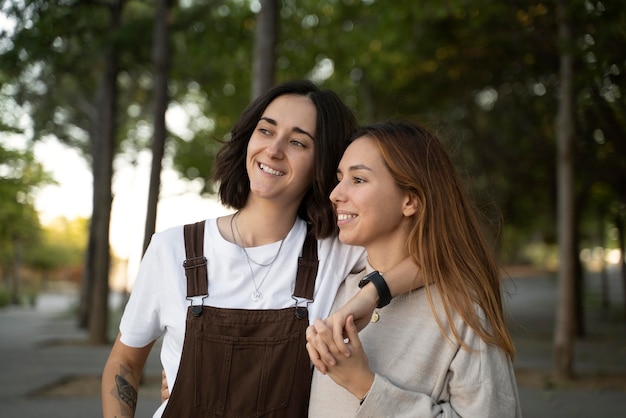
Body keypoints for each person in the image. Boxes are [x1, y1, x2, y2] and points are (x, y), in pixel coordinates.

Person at [101, 80, 420, 418]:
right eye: (266, 131)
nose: (274, 149)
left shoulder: (335, 252)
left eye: (298, 141)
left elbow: (432, 258)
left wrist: (370, 294)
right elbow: (124, 361)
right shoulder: (172, 249)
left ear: (322, 162)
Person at [306, 120, 522, 417]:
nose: (335, 194)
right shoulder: (333, 284)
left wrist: (365, 386)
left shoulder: (462, 312)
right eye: (339, 178)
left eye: (358, 180)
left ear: (409, 200)